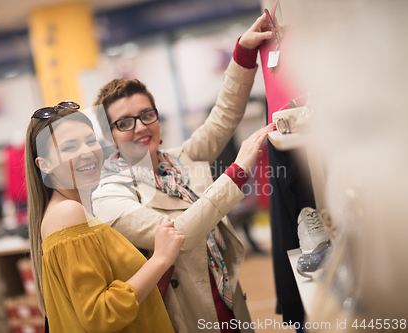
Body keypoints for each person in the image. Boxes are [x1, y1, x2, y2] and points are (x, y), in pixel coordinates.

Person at [91, 14, 274, 333]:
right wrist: (234, 177)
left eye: (146, 115)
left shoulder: (182, 158)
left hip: (227, 302)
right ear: (110, 136)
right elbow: (179, 235)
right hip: (184, 318)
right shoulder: (109, 194)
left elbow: (225, 116)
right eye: (124, 122)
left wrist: (243, 53)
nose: (140, 128)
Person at [25, 101, 185, 333]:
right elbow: (101, 315)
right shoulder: (67, 213)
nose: (88, 152)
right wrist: (160, 259)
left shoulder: (75, 209)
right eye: (70, 147)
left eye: (90, 141)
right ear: (45, 165)